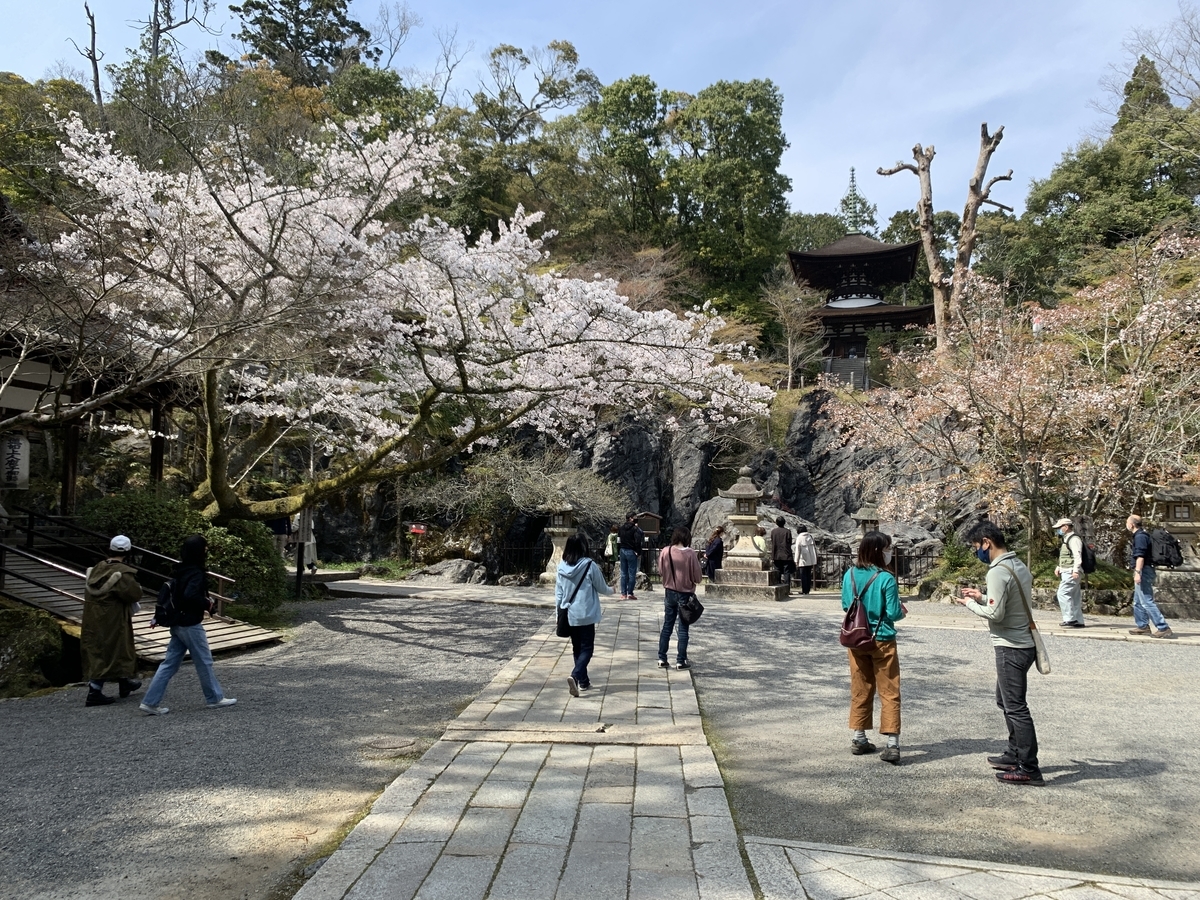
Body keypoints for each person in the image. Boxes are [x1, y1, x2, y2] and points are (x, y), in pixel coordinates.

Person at [955, 522, 1042, 786]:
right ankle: (1014, 753)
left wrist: (970, 603)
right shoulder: (1017, 565)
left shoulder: (997, 572)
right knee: (1005, 701)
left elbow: (996, 613)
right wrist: (982, 596)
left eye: (976, 547)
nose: (977, 553)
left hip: (1010, 646)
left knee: (1015, 707)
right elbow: (1008, 601)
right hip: (1024, 644)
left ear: (986, 542)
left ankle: (1028, 767)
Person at [140, 534, 237, 715]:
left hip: (177, 621)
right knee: (204, 661)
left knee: (169, 663)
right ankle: (214, 698)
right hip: (190, 623)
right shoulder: (196, 572)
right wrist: (206, 603)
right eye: (205, 548)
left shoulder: (180, 569)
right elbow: (190, 595)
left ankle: (150, 701)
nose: (206, 551)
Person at [840, 531, 905, 762]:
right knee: (889, 690)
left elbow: (846, 605)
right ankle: (892, 743)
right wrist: (901, 610)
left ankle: (859, 737)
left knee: (860, 687)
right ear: (879, 551)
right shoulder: (886, 578)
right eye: (888, 548)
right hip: (882, 639)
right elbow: (894, 613)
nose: (890, 552)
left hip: (856, 639)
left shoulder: (850, 575)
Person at [81, 535, 143, 706]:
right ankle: (95, 690)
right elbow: (134, 594)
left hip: (93, 617)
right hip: (114, 618)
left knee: (98, 648)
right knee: (117, 647)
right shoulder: (122, 573)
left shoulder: (97, 568)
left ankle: (124, 682)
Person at [555, 535, 612, 696]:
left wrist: (557, 614)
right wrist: (613, 590)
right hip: (586, 613)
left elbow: (558, 594)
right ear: (583, 547)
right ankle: (575, 675)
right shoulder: (589, 565)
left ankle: (583, 682)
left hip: (569, 614)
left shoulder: (561, 567)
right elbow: (602, 587)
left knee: (577, 648)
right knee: (587, 649)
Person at [658, 527, 703, 670]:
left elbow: (660, 571)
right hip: (685, 593)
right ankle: (680, 661)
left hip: (669, 592)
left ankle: (662, 658)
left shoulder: (666, 551)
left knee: (667, 626)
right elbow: (697, 577)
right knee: (683, 628)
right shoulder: (690, 554)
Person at [1126, 515, 1172, 638]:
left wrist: (1137, 572)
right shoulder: (1141, 535)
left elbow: (1140, 556)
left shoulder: (1140, 537)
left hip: (1143, 570)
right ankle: (1142, 626)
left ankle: (1163, 627)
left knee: (1146, 601)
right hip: (1144, 570)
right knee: (1138, 601)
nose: (1127, 525)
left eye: (1127, 522)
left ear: (1132, 524)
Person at [1052, 517, 1085, 628]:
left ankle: (1070, 618)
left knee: (1062, 593)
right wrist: (1059, 567)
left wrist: (1076, 570)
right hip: (1068, 570)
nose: (1058, 530)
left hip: (1071, 571)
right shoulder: (1068, 538)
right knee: (1074, 596)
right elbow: (1066, 556)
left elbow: (1077, 555)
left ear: (1066, 527)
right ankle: (1078, 620)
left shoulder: (1074, 539)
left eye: (1059, 527)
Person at [617, 512, 644, 601]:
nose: (636, 518)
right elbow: (637, 541)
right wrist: (638, 552)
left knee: (623, 573)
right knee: (632, 573)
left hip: (622, 550)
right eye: (635, 517)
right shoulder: (635, 529)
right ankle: (630, 593)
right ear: (631, 518)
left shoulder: (621, 528)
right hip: (631, 551)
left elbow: (618, 540)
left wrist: (618, 550)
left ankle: (623, 593)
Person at [770, 516, 793, 591]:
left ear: (776, 523)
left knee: (777, 571)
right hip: (786, 554)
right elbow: (789, 542)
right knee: (787, 572)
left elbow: (772, 541)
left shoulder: (773, 531)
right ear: (784, 523)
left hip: (776, 553)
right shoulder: (787, 531)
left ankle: (778, 587)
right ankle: (787, 589)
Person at [794, 525, 817, 595]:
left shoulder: (799, 538)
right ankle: (808, 589)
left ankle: (804, 590)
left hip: (803, 559)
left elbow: (797, 550)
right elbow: (814, 547)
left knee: (803, 575)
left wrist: (796, 560)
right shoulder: (810, 536)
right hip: (810, 559)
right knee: (808, 574)